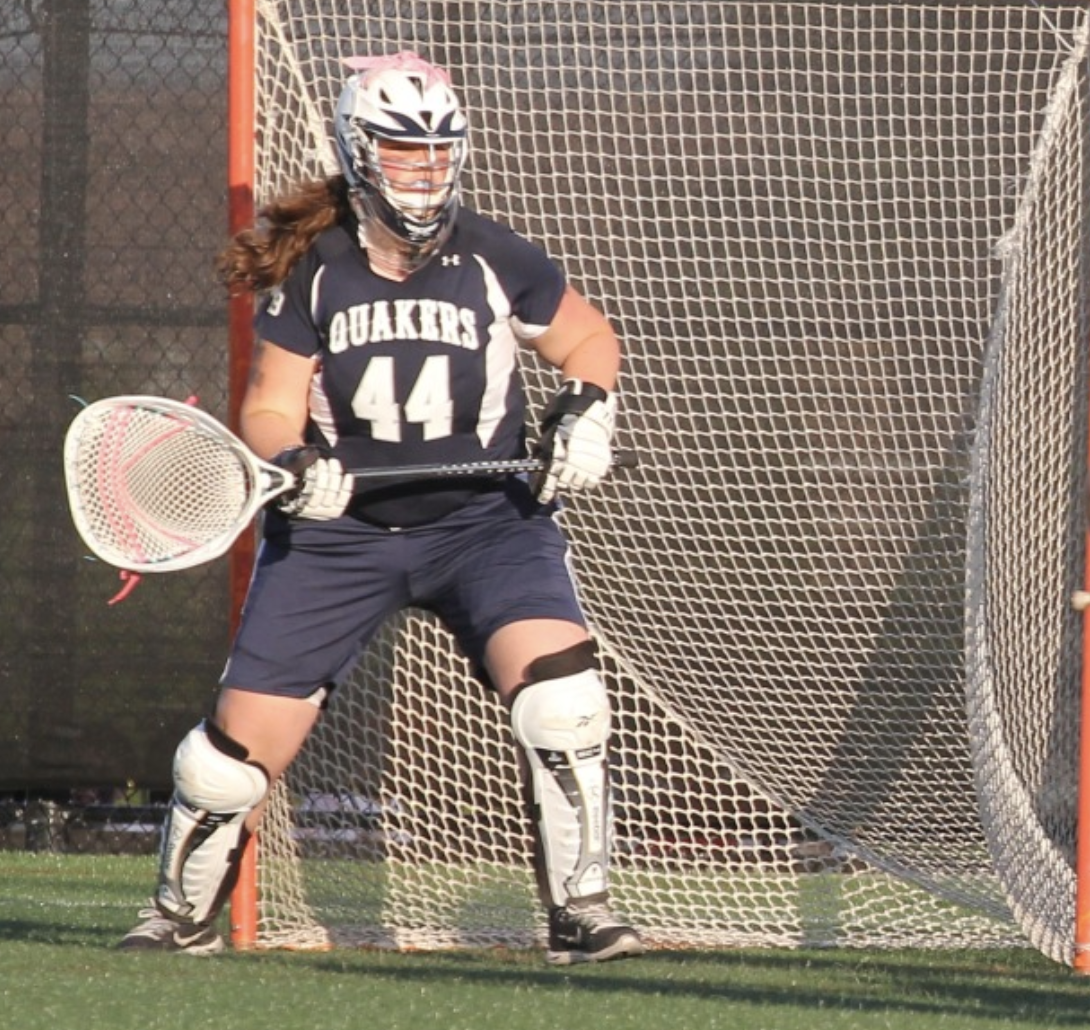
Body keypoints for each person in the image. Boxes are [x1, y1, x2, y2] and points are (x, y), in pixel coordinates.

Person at [119, 51, 643, 966]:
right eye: (403, 149)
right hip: (339, 534)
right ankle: (180, 917)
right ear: (358, 153)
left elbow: (590, 337)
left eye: (439, 150)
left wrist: (587, 412)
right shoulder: (315, 271)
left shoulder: (494, 253)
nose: (425, 169)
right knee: (224, 766)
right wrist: (296, 460)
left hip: (485, 524)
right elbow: (270, 406)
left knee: (563, 702)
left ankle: (582, 913)